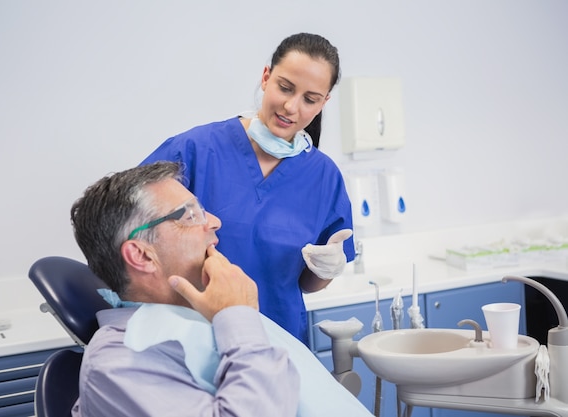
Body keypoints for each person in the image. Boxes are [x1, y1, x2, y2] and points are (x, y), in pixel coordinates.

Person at [69, 162, 372, 417]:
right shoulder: (117, 364)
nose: (214, 222)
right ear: (142, 255)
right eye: (189, 215)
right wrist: (238, 317)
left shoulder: (210, 313)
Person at [139, 33, 354, 344]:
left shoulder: (324, 178)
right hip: (192, 337)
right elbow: (128, 223)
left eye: (310, 99)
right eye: (285, 87)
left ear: (323, 103)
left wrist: (326, 269)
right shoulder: (196, 150)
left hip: (278, 341)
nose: (291, 107)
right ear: (266, 77)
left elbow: (308, 284)